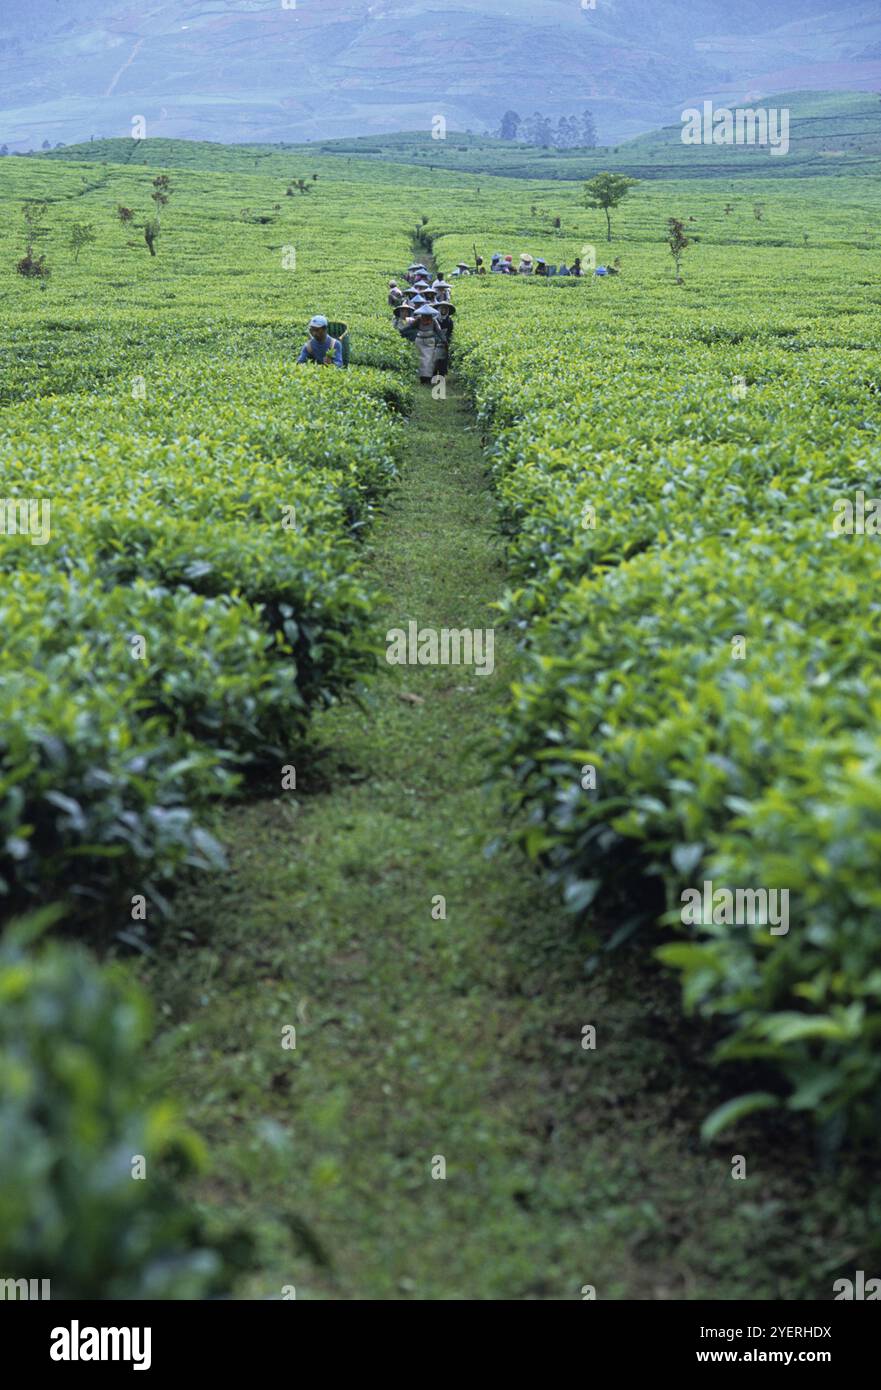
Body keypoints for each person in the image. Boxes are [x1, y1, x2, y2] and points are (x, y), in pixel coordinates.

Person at [401, 305, 446, 385]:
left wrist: (444, 340)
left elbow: (438, 332)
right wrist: (401, 331)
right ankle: (423, 378)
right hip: (421, 341)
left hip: (428, 341)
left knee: (427, 360)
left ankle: (427, 378)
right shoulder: (419, 320)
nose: (425, 317)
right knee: (423, 360)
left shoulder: (432, 321)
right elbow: (410, 327)